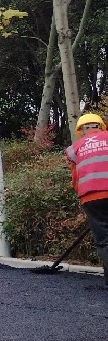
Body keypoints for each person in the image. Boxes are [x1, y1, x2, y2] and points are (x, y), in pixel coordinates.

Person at [63, 113, 108, 286]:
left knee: (104, 240)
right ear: (101, 126)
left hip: (91, 197)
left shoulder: (75, 148)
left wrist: (86, 200)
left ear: (81, 130)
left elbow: (76, 179)